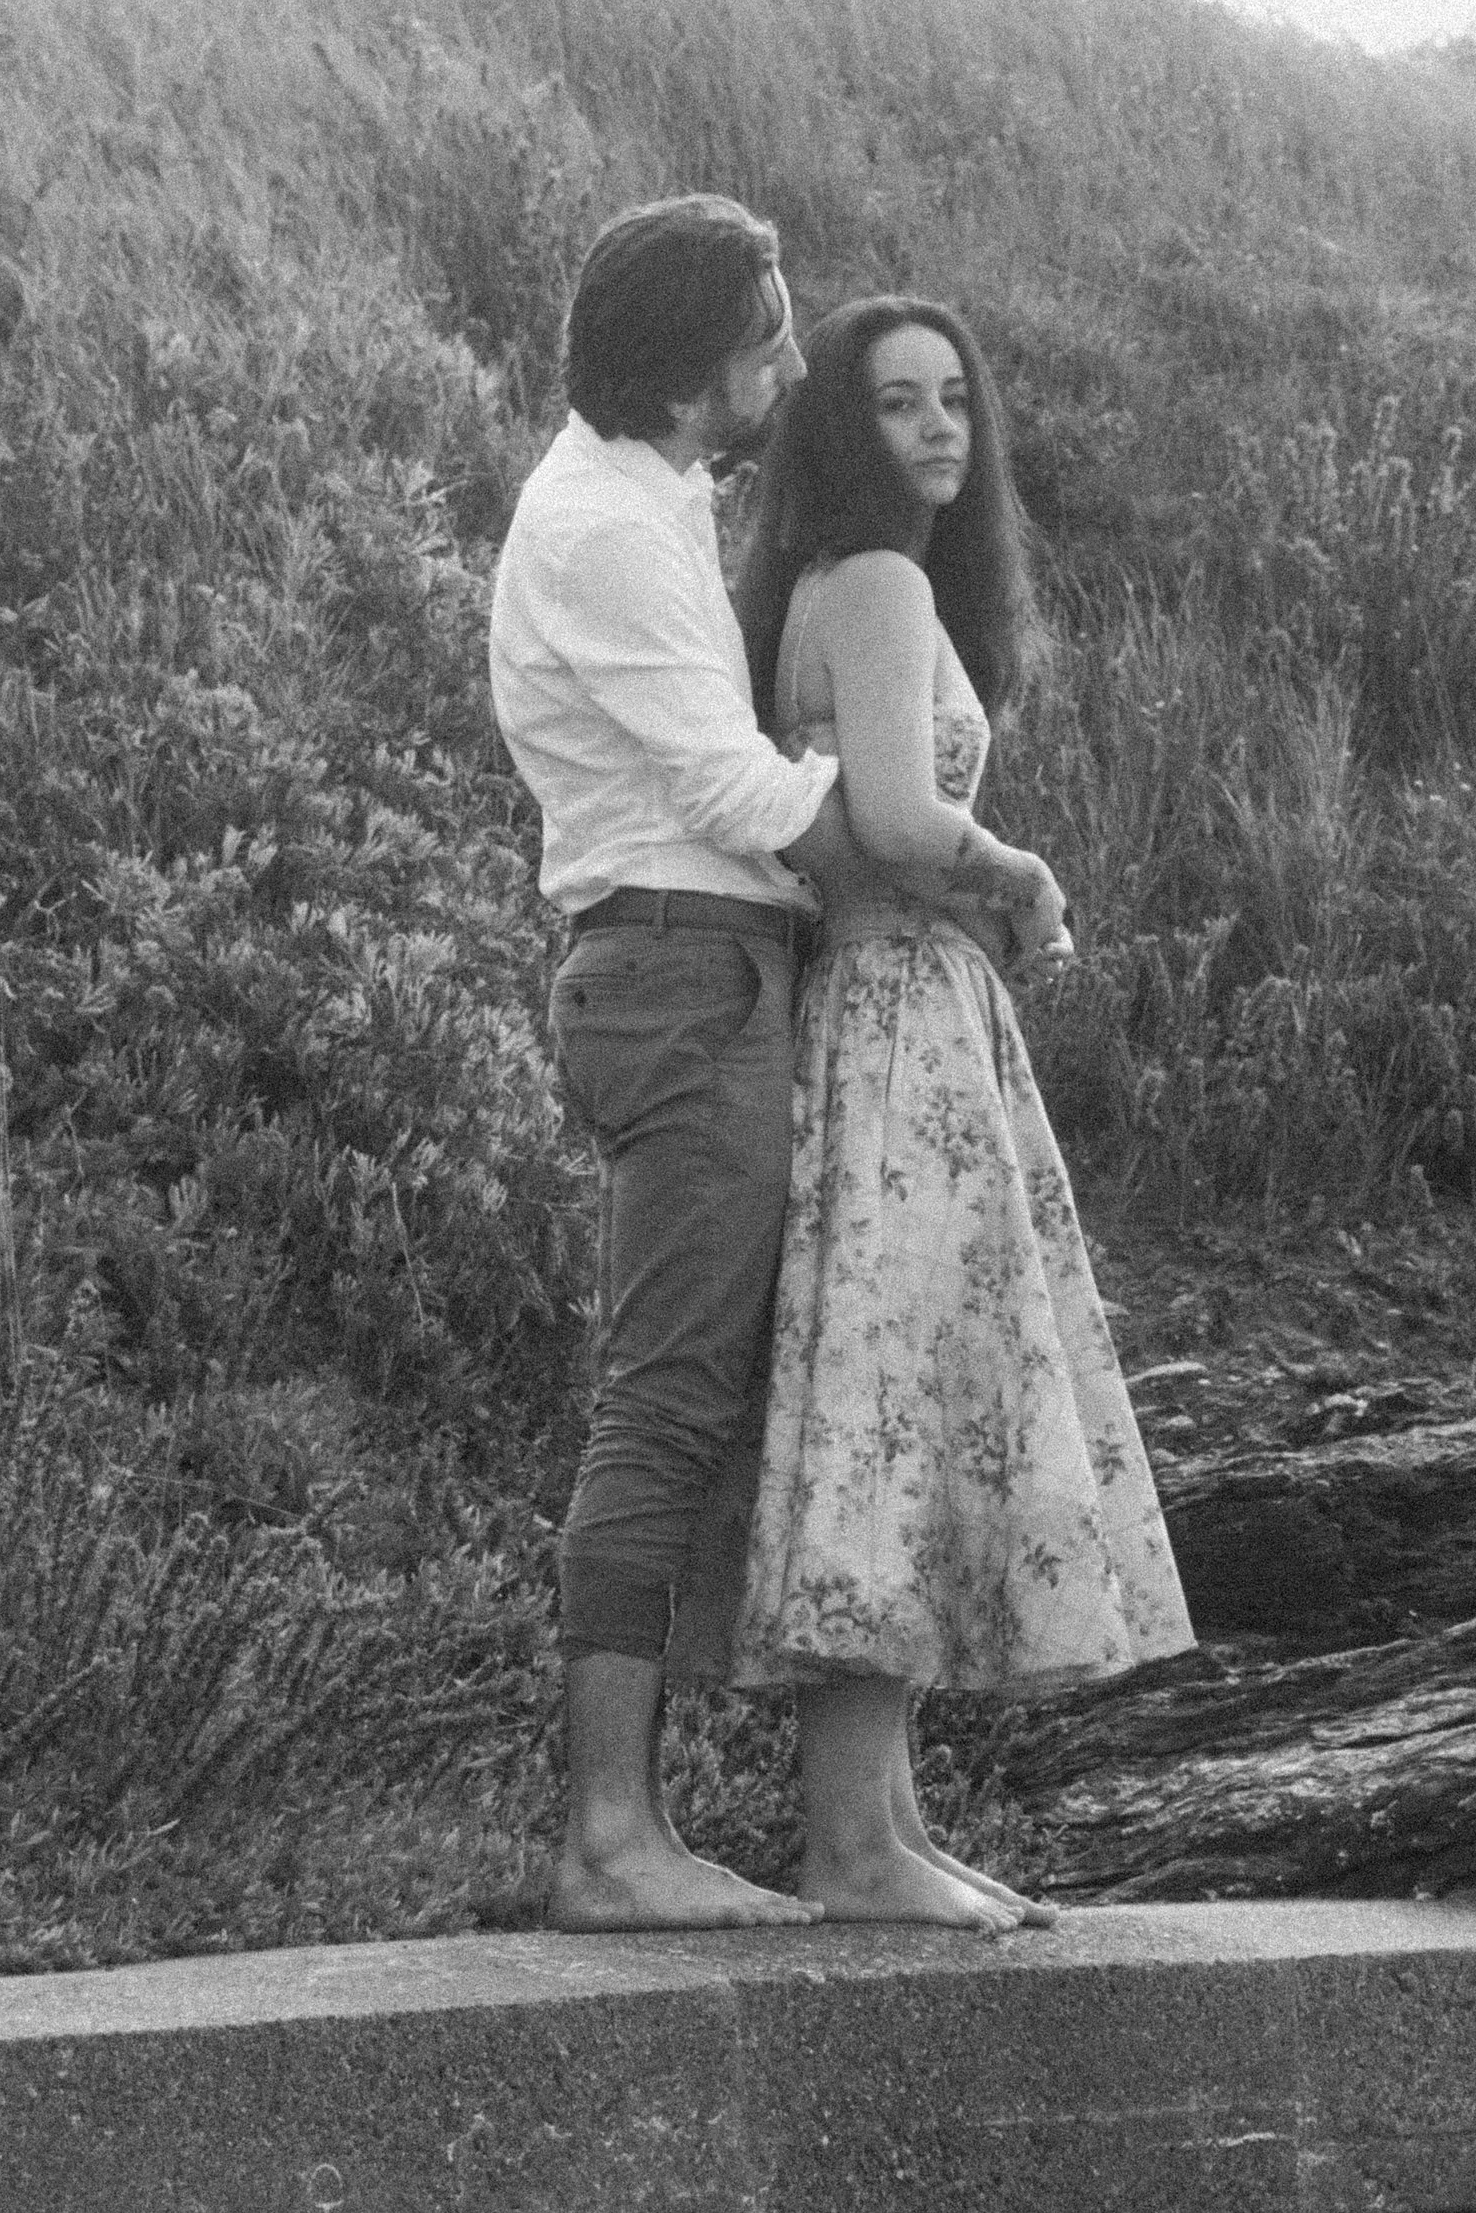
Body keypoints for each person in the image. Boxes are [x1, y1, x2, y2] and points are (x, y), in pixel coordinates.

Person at [727, 296, 1197, 1932]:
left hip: (889, 1011)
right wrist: (1026, 871)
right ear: (843, 434)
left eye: (953, 402)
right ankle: (855, 1844)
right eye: (897, 404)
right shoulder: (876, 578)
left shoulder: (829, 585)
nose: (937, 431)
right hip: (899, 1016)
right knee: (890, 1397)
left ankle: (884, 1824)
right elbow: (899, 810)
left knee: (890, 1392)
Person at [490, 192, 893, 1930]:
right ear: (687, 371)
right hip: (678, 967)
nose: (792, 363)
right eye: (768, 336)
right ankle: (606, 1839)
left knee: (696, 1395)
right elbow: (738, 792)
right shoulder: (606, 526)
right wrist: (955, 865)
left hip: (693, 966)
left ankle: (645, 1826)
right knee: (661, 1402)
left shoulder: (642, 501)